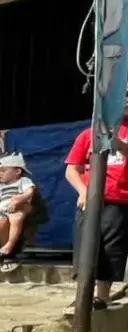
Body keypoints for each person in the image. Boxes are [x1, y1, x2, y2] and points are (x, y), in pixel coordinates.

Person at [65, 114, 128, 309]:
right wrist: (83, 191)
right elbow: (71, 169)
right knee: (86, 246)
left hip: (120, 199)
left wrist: (120, 145)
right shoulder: (88, 134)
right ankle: (83, 295)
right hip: (90, 200)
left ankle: (102, 296)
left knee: (111, 249)